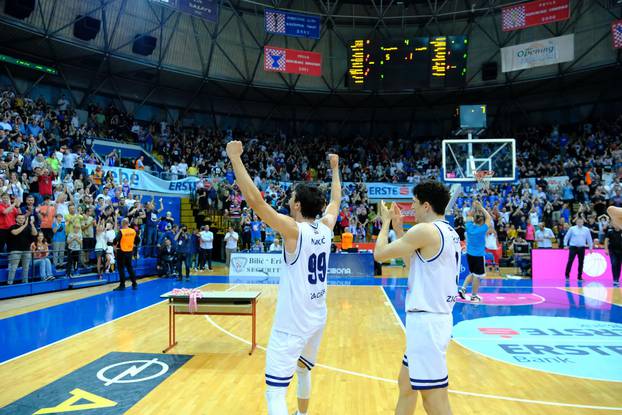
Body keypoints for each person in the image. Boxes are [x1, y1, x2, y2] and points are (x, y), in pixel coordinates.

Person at [227, 141, 341, 415]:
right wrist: (335, 169)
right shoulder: (325, 227)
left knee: (275, 393)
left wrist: (235, 159)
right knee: (303, 371)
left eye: (291, 197)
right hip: (316, 317)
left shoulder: (293, 230)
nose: (288, 199)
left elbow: (256, 202)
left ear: (298, 205)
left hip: (292, 323)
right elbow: (336, 201)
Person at [373, 181, 460, 415]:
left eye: (414, 202)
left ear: (426, 205)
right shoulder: (448, 231)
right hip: (431, 321)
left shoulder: (427, 231)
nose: (411, 207)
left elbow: (380, 254)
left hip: (428, 323)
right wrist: (400, 230)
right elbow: (414, 264)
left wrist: (386, 224)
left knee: (434, 400)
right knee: (407, 385)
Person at [458, 200, 491, 303]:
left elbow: (469, 215)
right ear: (482, 220)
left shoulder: (469, 226)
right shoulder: (483, 229)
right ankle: (474, 296)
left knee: (472, 273)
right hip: (479, 256)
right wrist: (480, 207)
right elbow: (489, 217)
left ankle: (463, 289)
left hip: (469, 255)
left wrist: (474, 208)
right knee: (477, 276)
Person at [7, 214, 38, 284]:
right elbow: (15, 233)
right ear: (16, 219)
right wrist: (24, 225)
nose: (21, 220)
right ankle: (9, 283)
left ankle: (25, 283)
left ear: (24, 219)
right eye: (19, 218)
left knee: (26, 268)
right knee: (13, 268)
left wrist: (32, 225)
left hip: (26, 250)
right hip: (15, 250)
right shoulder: (12, 227)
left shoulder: (28, 227)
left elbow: (35, 233)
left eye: (23, 218)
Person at [113, 218, 137, 291]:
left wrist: (114, 247)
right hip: (130, 252)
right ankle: (134, 283)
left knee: (121, 269)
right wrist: (133, 244)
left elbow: (115, 240)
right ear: (128, 223)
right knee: (130, 267)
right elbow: (138, 240)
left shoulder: (122, 231)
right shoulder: (133, 231)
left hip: (121, 252)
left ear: (122, 224)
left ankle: (122, 285)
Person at [605, 218, 622, 287]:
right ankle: (615, 279)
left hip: (621, 251)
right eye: (614, 223)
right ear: (613, 224)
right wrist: (606, 249)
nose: (616, 224)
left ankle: (617, 279)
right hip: (612, 251)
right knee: (614, 263)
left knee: (619, 265)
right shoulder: (610, 232)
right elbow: (606, 240)